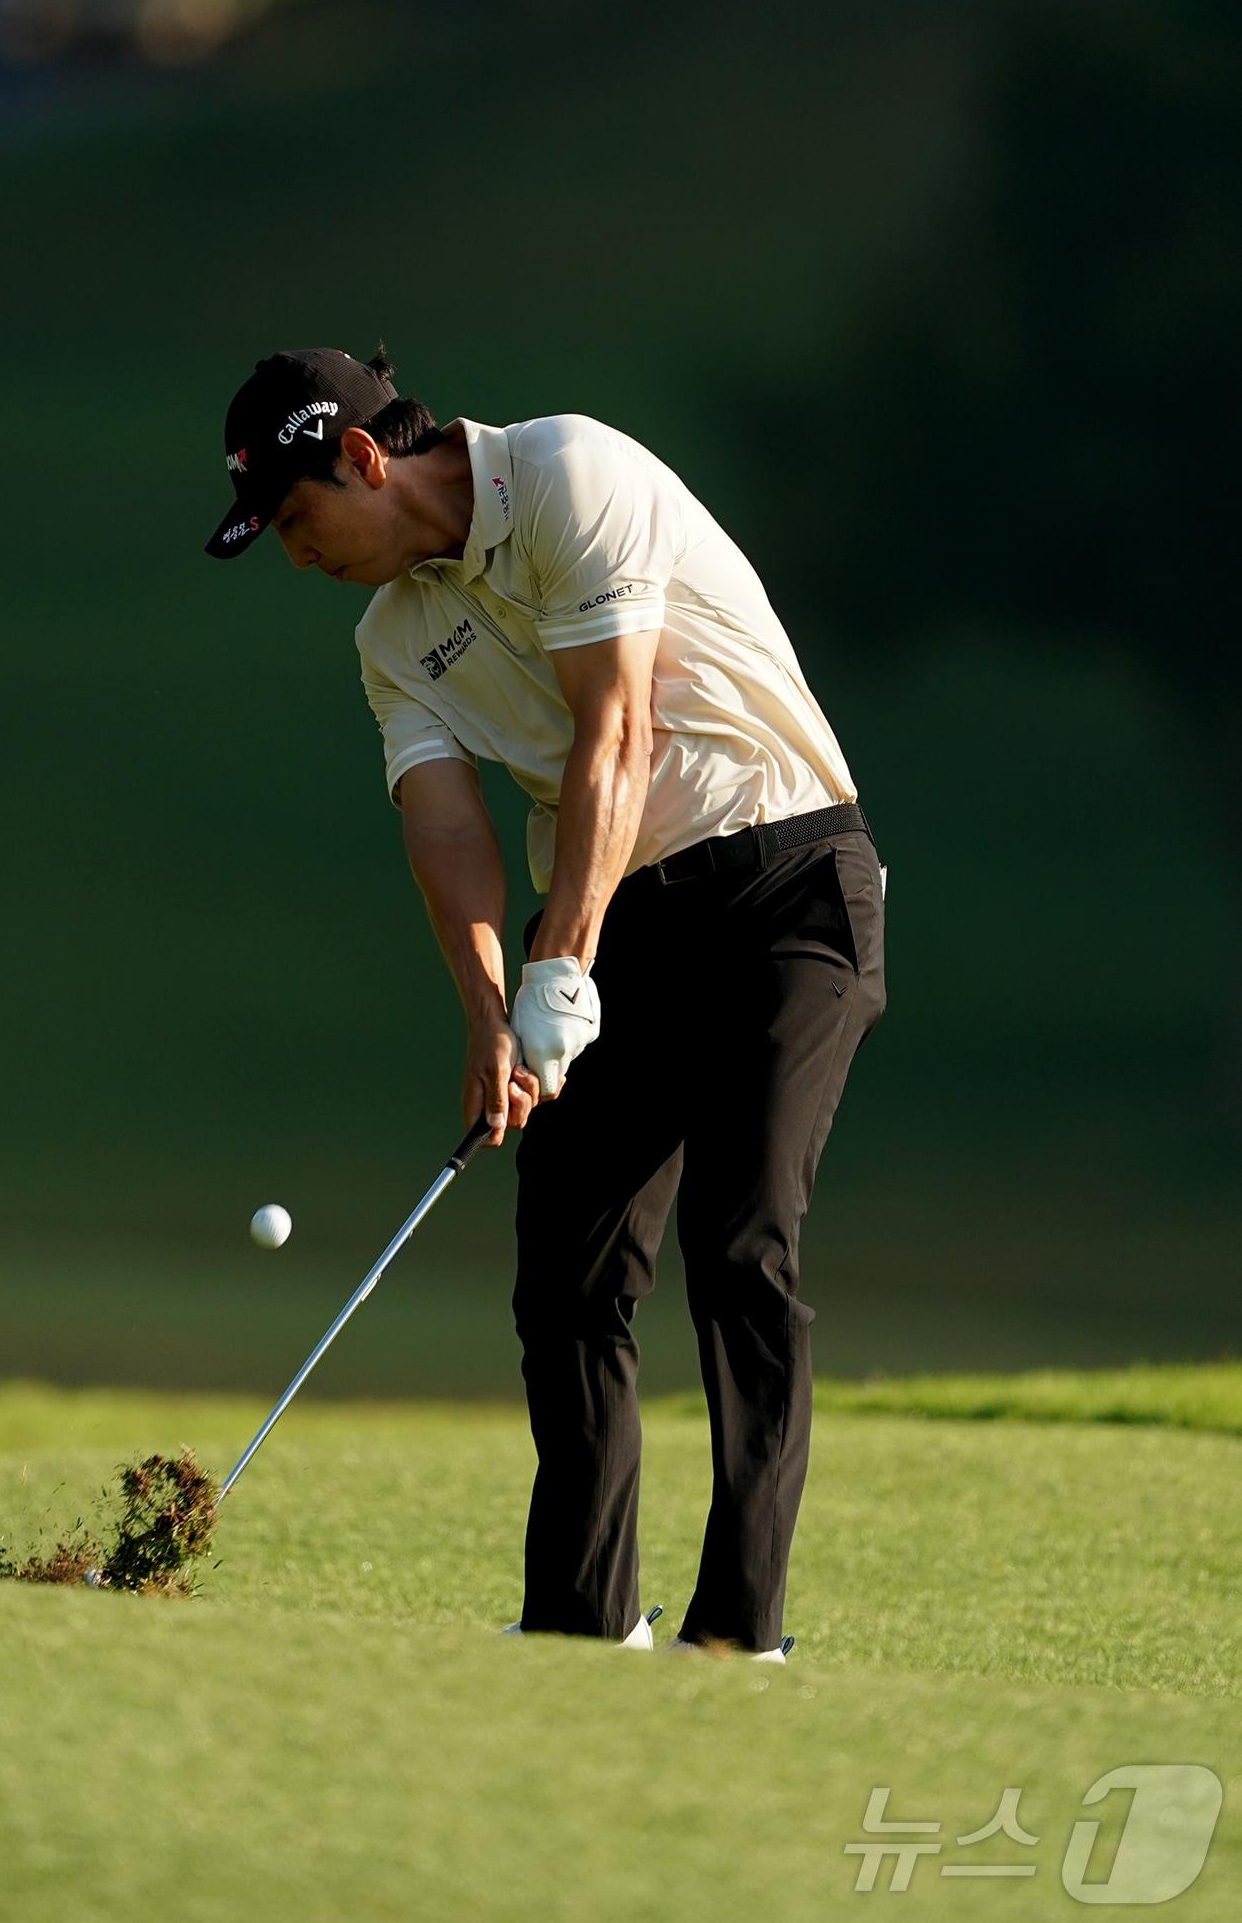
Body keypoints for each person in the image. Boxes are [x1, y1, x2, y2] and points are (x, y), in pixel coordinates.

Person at [204, 344, 887, 1660]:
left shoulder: (571, 470)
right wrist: (487, 1011)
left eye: (294, 517)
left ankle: (737, 1636)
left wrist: (559, 970)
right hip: (620, 915)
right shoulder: (391, 639)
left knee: (741, 1245)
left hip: (786, 882)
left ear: (363, 458)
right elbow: (445, 827)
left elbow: (616, 733)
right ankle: (580, 1624)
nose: (296, 554)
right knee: (567, 1274)